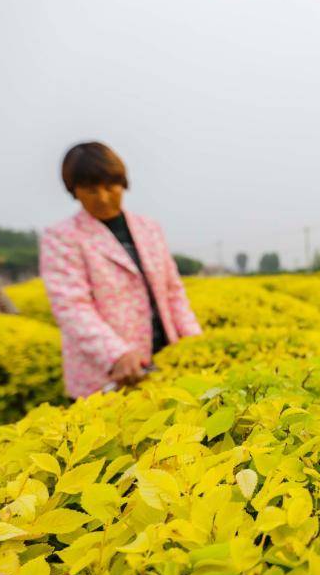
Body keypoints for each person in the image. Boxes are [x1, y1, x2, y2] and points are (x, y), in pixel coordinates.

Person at [40, 141, 201, 398]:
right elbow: (71, 306)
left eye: (110, 187)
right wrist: (116, 353)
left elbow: (172, 291)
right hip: (110, 373)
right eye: (91, 190)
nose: (103, 197)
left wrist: (195, 342)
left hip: (164, 358)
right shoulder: (62, 237)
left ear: (123, 183)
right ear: (75, 191)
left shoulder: (148, 228)